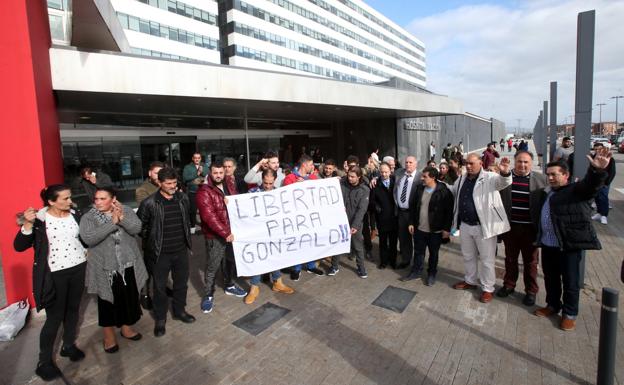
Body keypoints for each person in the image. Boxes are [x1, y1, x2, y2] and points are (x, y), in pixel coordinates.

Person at [14, 185, 88, 381]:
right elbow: (19, 246)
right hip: (54, 274)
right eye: (64, 199)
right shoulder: (39, 220)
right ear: (51, 202)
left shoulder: (75, 214)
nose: (69, 201)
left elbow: (84, 239)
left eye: (70, 197)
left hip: (78, 268)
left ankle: (68, 345)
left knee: (73, 310)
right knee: (54, 317)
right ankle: (44, 362)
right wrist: (27, 225)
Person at [533, 148, 611, 331]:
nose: (550, 178)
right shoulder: (548, 192)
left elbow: (591, 186)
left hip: (568, 245)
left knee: (570, 281)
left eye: (554, 174)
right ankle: (553, 305)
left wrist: (597, 171)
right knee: (551, 279)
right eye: (548, 175)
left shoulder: (575, 190)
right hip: (548, 245)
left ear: (566, 175)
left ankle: (569, 314)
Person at [79, 187, 147, 353]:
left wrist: (122, 218)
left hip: (128, 263)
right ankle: (109, 335)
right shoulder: (88, 217)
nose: (99, 202)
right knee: (107, 302)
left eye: (103, 199)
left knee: (128, 298)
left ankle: (126, 328)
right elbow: (88, 238)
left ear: (113, 199)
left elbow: (137, 229)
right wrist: (112, 223)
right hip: (105, 268)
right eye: (96, 199)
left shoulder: (126, 210)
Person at [137, 167, 196, 337]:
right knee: (160, 288)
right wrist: (152, 243)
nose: (172, 186)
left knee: (181, 284)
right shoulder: (149, 203)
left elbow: (186, 220)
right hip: (159, 254)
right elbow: (141, 228)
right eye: (168, 183)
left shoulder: (183, 198)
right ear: (159, 183)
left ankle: (179, 311)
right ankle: (160, 319)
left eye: (174, 183)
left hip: (180, 251)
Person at [448, 153, 512, 303]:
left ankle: (487, 288)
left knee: (487, 260)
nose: (468, 166)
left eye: (471, 163)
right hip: (465, 225)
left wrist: (504, 172)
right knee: (468, 256)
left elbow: (504, 182)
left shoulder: (490, 177)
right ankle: (470, 281)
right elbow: (453, 191)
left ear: (480, 164)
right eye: (466, 164)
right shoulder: (462, 177)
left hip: (483, 227)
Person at [497, 151, 547, 306]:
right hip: (510, 229)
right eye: (519, 161)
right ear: (514, 161)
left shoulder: (541, 180)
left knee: (531, 262)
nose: (522, 165)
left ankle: (531, 291)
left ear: (531, 163)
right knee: (510, 259)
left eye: (526, 162)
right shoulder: (505, 178)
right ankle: (509, 285)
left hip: (530, 230)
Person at [196, 162, 247, 313]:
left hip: (231, 233)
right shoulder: (204, 192)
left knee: (229, 261)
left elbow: (237, 204)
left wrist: (230, 203)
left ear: (225, 172)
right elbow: (209, 217)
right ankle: (208, 295)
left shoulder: (229, 186)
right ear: (210, 173)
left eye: (221, 172)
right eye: (215, 172)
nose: (218, 175)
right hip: (216, 236)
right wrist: (225, 233)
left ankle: (229, 285)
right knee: (213, 266)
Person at [244, 169, 295, 304]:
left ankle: (278, 282)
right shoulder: (252, 193)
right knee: (260, 258)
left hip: (275, 232)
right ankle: (254, 288)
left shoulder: (279, 193)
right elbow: (244, 211)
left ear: (275, 180)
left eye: (270, 183)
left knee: (275, 256)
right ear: (262, 179)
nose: (267, 186)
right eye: (265, 183)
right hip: (259, 233)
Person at [403, 166, 453, 285]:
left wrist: (446, 229)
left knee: (433, 254)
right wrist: (411, 222)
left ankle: (431, 274)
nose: (422, 178)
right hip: (420, 229)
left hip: (435, 231)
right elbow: (413, 207)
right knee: (419, 252)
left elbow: (449, 212)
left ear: (433, 177)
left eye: (425, 177)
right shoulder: (420, 189)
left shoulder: (444, 192)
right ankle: (416, 272)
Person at [283, 154, 325, 279]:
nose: (313, 167)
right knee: (298, 242)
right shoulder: (290, 178)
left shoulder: (312, 177)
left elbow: (320, 189)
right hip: (296, 217)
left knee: (311, 241)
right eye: (311, 164)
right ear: (304, 165)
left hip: (310, 217)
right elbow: (285, 196)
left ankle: (311, 266)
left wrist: (306, 182)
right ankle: (296, 268)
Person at [328, 165, 370, 278]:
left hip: (355, 222)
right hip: (341, 221)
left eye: (352, 176)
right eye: (348, 175)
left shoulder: (364, 190)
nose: (349, 178)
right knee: (337, 244)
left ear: (359, 177)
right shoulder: (342, 183)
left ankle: (361, 268)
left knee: (357, 246)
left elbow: (362, 209)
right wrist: (332, 180)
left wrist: (355, 225)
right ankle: (334, 266)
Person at [394, 156, 422, 270]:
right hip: (401, 212)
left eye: (410, 162)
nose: (408, 164)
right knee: (404, 238)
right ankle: (406, 260)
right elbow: (385, 174)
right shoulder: (399, 173)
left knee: (417, 239)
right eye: (406, 162)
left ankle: (418, 263)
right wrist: (374, 178)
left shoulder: (420, 177)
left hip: (414, 213)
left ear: (416, 164)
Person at [369, 162, 398, 269]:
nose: (384, 174)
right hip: (382, 218)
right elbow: (371, 200)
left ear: (390, 171)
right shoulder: (375, 184)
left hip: (394, 217)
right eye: (382, 172)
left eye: (386, 172)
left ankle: (393, 261)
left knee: (394, 242)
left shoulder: (396, 181)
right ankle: (383, 261)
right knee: (383, 242)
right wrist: (377, 207)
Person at [590, 142, 616, 225]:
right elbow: (591, 170)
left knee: (603, 198)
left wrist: (607, 183)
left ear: (603, 149)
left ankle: (604, 215)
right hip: (595, 182)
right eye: (595, 149)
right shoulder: (593, 157)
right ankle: (599, 213)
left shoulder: (610, 158)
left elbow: (612, 172)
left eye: (599, 149)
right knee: (597, 197)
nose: (597, 150)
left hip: (604, 182)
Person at [182, 153, 208, 234]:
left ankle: (205, 227)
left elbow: (208, 174)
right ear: (193, 158)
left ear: (201, 158)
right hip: (192, 192)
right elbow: (185, 178)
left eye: (198, 158)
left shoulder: (205, 166)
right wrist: (196, 174)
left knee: (204, 210)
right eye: (195, 158)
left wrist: (202, 171)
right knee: (192, 210)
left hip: (203, 191)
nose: (197, 159)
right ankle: (192, 227)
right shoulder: (188, 167)